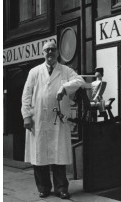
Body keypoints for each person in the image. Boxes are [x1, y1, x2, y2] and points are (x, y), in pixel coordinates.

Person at [21, 41, 85, 199]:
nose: (50, 52)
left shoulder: (65, 70)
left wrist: (65, 87)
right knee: (39, 156)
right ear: (43, 53)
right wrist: (26, 116)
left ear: (57, 52)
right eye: (47, 50)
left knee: (59, 156)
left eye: (53, 50)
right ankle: (43, 187)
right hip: (39, 120)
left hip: (58, 119)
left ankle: (61, 188)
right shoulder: (34, 72)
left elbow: (80, 81)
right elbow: (26, 95)